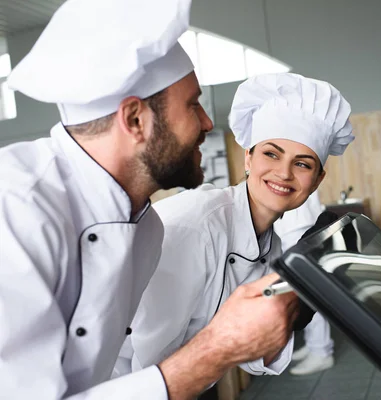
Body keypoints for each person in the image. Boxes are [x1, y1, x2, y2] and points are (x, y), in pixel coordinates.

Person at [0, 0, 298, 398]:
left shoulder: (146, 225)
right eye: (193, 105)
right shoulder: (16, 210)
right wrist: (218, 347)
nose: (209, 124)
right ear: (135, 120)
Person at [120, 72, 355, 379]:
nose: (283, 173)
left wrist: (299, 299)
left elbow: (252, 353)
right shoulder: (195, 227)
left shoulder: (272, 245)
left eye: (302, 163)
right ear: (248, 159)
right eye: (271, 154)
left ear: (317, 180)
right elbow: (152, 372)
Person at [273, 192, 337, 375]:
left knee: (309, 293)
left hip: (297, 226)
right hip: (295, 223)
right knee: (302, 292)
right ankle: (314, 345)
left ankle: (321, 352)